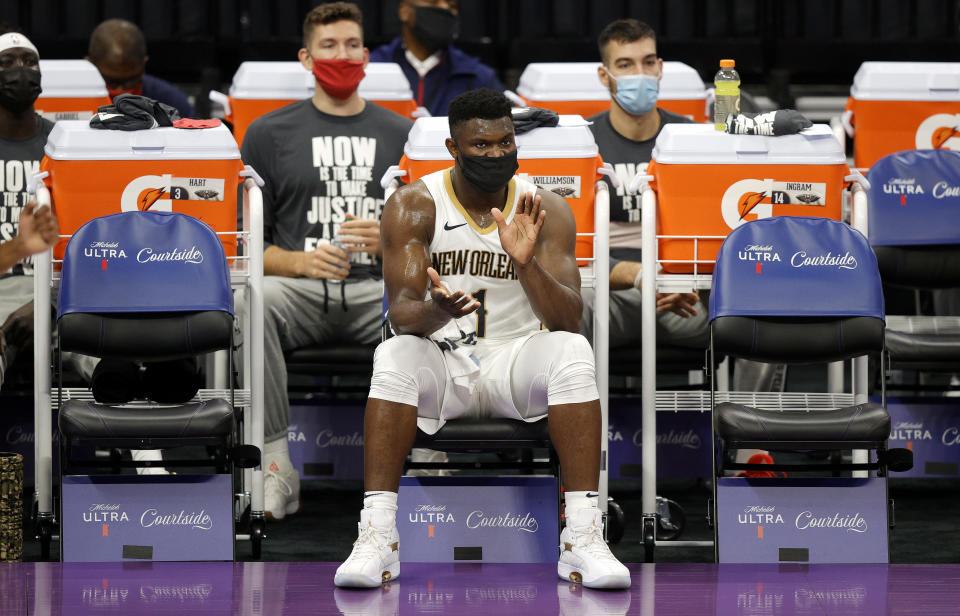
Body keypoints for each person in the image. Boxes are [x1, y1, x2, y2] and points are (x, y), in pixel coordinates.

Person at [334, 88, 631, 590]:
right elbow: (403, 316)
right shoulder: (414, 205)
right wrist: (436, 311)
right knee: (393, 353)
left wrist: (526, 263)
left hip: (514, 362)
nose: (496, 155)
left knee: (574, 351)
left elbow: (568, 319)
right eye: (482, 146)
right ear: (454, 148)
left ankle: (582, 537)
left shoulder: (546, 208)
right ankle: (378, 537)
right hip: (443, 364)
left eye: (504, 143)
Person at [239, 2, 413, 520]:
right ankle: (275, 468)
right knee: (253, 299)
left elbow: (433, 240)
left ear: (367, 53)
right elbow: (247, 246)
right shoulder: (268, 133)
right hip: (300, 292)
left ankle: (427, 457)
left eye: (353, 45)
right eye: (330, 46)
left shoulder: (402, 134)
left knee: (431, 301)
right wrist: (298, 263)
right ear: (306, 57)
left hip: (376, 292)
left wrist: (389, 245)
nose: (344, 55)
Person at [580, 18, 707, 351]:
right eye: (625, 64)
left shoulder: (691, 137)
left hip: (683, 293)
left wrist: (685, 281)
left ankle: (753, 404)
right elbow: (567, 246)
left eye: (648, 62)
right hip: (607, 291)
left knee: (755, 303)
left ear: (660, 68)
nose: (640, 74)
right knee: (565, 308)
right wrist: (639, 275)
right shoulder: (581, 141)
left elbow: (710, 230)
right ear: (604, 75)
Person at [0, 30, 56, 390]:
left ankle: (144, 447)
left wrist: (47, 302)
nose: (21, 71)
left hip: (58, 289)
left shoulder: (65, 145)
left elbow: (91, 242)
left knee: (111, 350)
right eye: (7, 64)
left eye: (29, 62)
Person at [369, 0, 502, 117]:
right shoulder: (371, 69)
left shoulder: (478, 78)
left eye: (452, 5)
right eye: (432, 2)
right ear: (404, 11)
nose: (444, 8)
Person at [87, 19, 194, 118]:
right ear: (89, 64)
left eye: (131, 81)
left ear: (144, 64)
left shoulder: (173, 103)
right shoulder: (73, 99)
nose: (121, 91)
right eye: (111, 81)